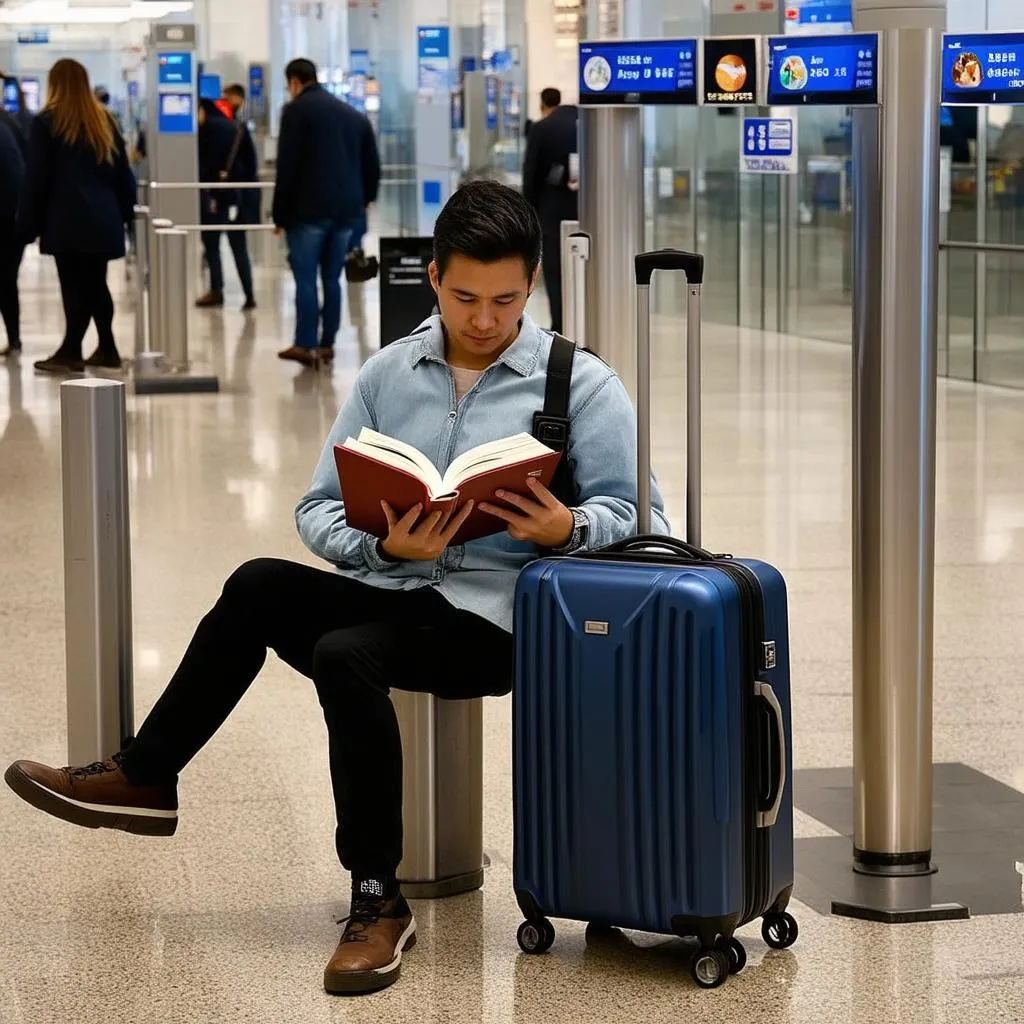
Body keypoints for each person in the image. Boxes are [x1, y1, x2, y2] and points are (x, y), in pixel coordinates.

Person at [4, 180, 670, 997]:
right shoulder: (391, 374)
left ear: (532, 283)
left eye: (504, 299)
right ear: (433, 278)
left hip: (502, 619)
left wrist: (565, 528)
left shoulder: (581, 385)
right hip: (398, 582)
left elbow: (641, 515)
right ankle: (148, 775)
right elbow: (316, 507)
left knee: (344, 654)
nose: (485, 319)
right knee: (255, 585)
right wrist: (376, 541)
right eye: (465, 297)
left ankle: (376, 898)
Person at [19, 59, 135, 374]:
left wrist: (26, 224)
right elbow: (124, 174)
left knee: (74, 287)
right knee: (96, 283)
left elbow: (36, 179)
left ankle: (71, 350)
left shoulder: (48, 122)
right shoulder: (105, 121)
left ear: (54, 84)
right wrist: (126, 216)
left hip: (67, 219)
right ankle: (106, 347)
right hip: (104, 218)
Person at [272, 57, 381, 368]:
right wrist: (366, 199)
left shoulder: (295, 112)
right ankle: (327, 343)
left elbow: (287, 166)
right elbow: (372, 163)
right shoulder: (352, 115)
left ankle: (305, 344)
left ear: (294, 81)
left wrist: (280, 215)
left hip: (307, 212)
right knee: (332, 278)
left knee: (306, 278)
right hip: (346, 212)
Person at [521, 87, 579, 335]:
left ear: (543, 102)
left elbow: (530, 175)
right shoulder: (588, 121)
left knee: (556, 272)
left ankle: (562, 325)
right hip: (591, 210)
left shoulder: (542, 128)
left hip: (553, 212)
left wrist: (529, 214)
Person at [195, 98, 257, 311]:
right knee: (239, 247)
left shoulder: (205, 132)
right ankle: (249, 295)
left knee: (212, 246)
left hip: (213, 196)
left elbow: (202, 164)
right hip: (237, 196)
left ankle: (216, 290)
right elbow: (252, 164)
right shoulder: (238, 128)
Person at [0, 109, 26, 357]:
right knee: (7, 281)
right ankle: (14, 338)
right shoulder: (10, 121)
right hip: (14, 218)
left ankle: (14, 338)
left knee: (5, 281)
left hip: (6, 218)